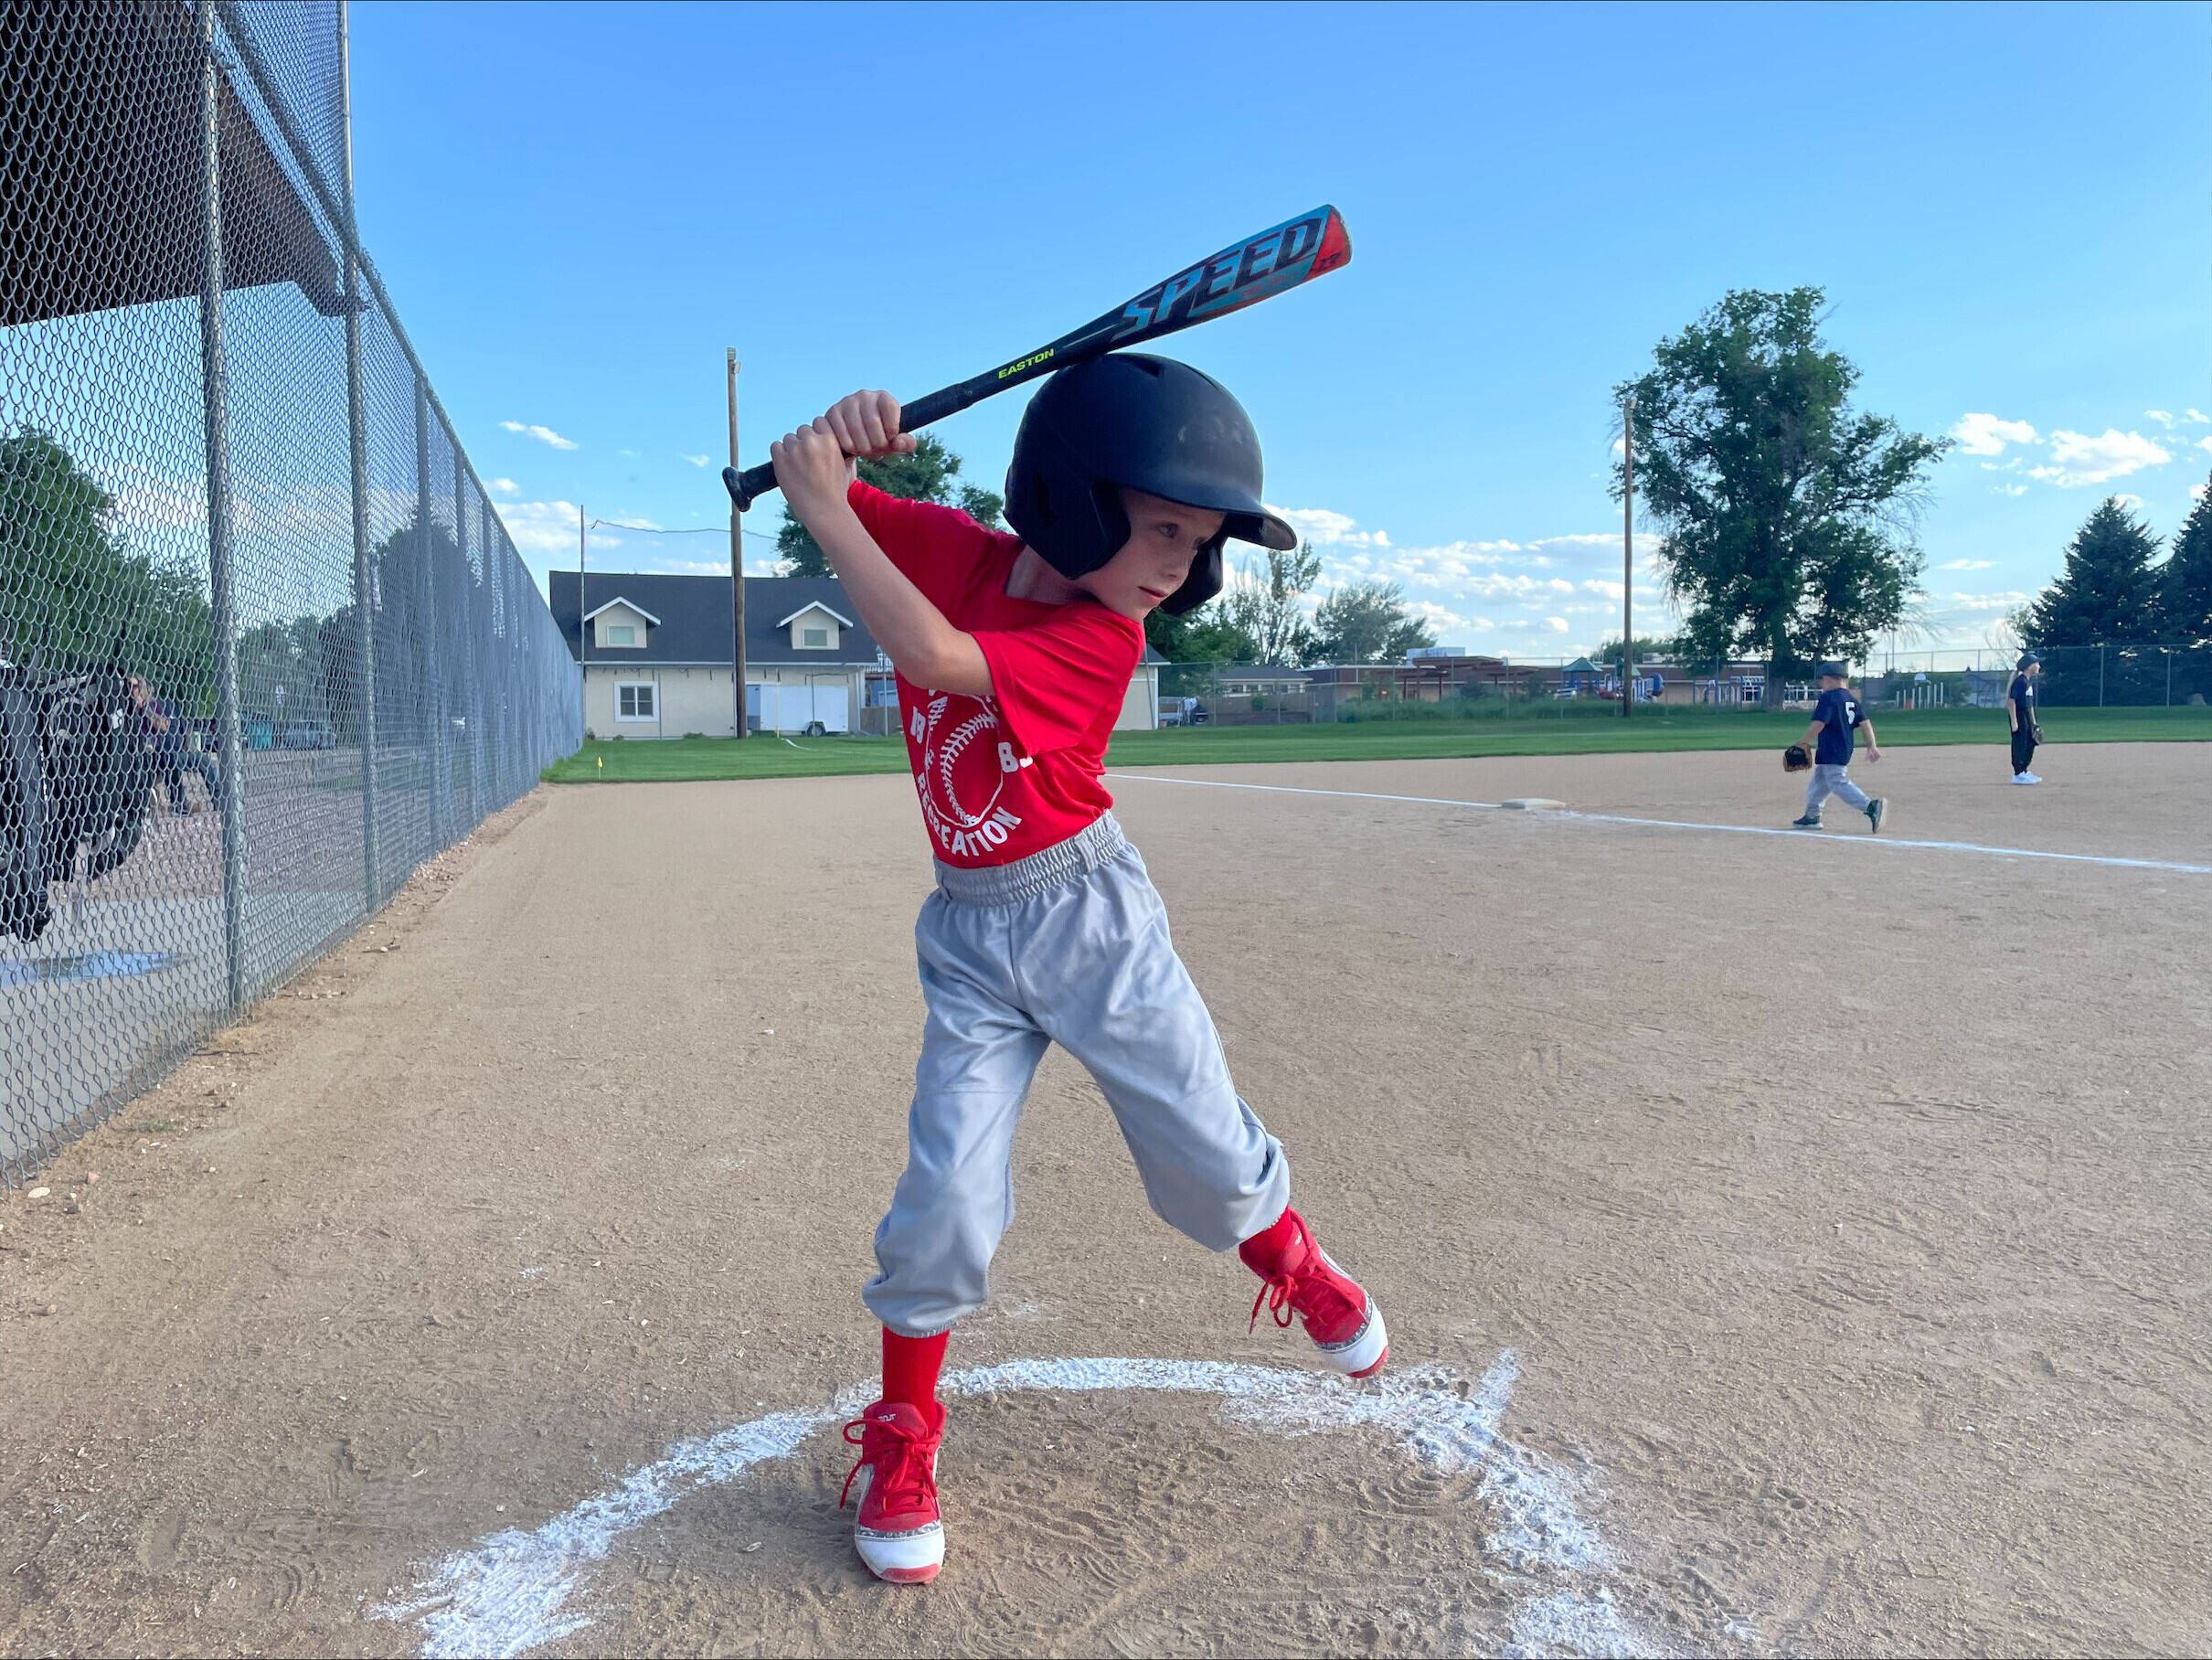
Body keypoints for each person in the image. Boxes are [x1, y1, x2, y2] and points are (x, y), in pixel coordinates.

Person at [769, 360, 1387, 1587]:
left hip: (1090, 922)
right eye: (1162, 527)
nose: (1180, 563)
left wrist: (827, 508)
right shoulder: (960, 551)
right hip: (970, 937)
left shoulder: (1104, 638)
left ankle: (1296, 1264)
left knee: (1208, 1163)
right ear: (1069, 499)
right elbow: (827, 482)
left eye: (1199, 543)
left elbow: (939, 656)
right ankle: (903, 1437)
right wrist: (834, 447)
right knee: (941, 1200)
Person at [1791, 662, 1886, 832]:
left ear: (1827, 679)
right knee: (1820, 782)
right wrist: (1872, 745)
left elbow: (1819, 723)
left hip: (1831, 747)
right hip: (1844, 747)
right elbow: (1865, 724)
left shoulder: (1828, 697)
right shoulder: (1851, 699)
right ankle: (1812, 816)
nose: (1821, 685)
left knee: (1837, 782)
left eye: (1821, 681)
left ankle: (1870, 807)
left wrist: (1803, 741)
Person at [126, 675, 219, 815]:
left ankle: (217, 799)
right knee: (168, 757)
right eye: (128, 686)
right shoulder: (125, 710)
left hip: (163, 751)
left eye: (133, 687)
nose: (130, 690)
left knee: (201, 760)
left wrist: (144, 708)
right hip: (145, 756)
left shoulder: (152, 705)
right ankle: (179, 804)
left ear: (141, 689)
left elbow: (163, 726)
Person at [2007, 652, 2044, 784]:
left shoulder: (2028, 682)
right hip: (2019, 715)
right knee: (2020, 744)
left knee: (2030, 742)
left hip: (2026, 716)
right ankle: (2017, 774)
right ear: (2029, 666)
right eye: (2037, 663)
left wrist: (2034, 723)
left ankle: (2024, 771)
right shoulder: (2020, 682)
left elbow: (2030, 706)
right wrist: (2014, 721)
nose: (2039, 666)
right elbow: (2011, 701)